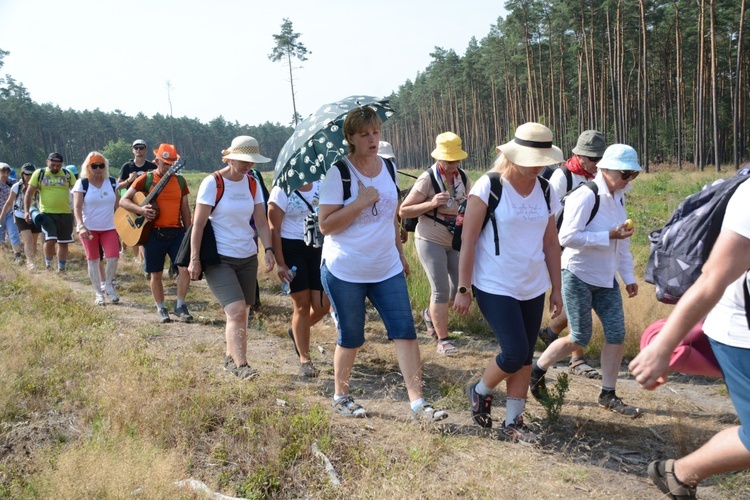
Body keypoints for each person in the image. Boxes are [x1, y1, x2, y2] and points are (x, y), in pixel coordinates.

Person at [318, 106, 448, 422]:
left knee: (405, 331)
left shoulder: (388, 168)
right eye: (364, 134)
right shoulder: (339, 173)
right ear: (350, 137)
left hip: (386, 267)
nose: (372, 139)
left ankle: (418, 403)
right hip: (345, 269)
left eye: (376, 132)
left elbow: (391, 214)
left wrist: (400, 253)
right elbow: (326, 225)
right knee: (351, 335)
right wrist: (360, 202)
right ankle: (341, 396)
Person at [629, 177, 750, 499]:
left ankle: (678, 474)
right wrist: (663, 347)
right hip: (742, 335)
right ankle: (679, 473)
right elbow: (713, 278)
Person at [454, 122, 563, 443]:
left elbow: (551, 244)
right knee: (514, 352)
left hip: (532, 285)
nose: (537, 166)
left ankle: (514, 421)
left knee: (525, 356)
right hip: (493, 284)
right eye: (530, 159)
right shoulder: (489, 186)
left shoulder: (546, 189)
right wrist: (463, 288)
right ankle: (480, 389)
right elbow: (469, 240)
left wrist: (556, 287)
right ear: (514, 156)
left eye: (541, 160)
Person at [530, 144, 641, 418]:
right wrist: (608, 236)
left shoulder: (620, 197)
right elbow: (566, 237)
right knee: (580, 336)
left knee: (616, 335)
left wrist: (628, 277)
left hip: (606, 278)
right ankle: (536, 371)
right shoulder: (586, 194)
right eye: (625, 173)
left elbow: (622, 245)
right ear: (607, 168)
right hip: (578, 274)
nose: (629, 180)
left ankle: (608, 394)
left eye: (633, 175)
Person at [187, 136, 275, 379]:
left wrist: (268, 249)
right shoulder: (212, 182)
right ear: (231, 157)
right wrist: (195, 259)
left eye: (252, 162)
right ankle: (242, 366)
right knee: (236, 310)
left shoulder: (253, 183)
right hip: (219, 258)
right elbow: (199, 224)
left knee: (241, 312)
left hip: (247, 256)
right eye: (245, 161)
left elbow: (260, 221)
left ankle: (230, 358)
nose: (249, 166)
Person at [539, 130, 607, 379]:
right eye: (592, 157)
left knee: (579, 304)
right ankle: (577, 359)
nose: (597, 162)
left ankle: (550, 333)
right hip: (565, 246)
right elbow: (550, 216)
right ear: (578, 154)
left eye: (600, 157)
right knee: (577, 304)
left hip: (590, 246)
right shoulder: (562, 176)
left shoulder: (602, 176)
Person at [400, 132, 471, 356]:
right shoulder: (427, 178)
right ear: (439, 159)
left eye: (457, 160)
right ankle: (443, 339)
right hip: (430, 238)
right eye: (449, 161)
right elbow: (404, 210)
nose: (454, 165)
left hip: (455, 239)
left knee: (460, 287)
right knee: (440, 291)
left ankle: (430, 315)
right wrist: (431, 203)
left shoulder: (463, 177)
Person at [120, 143, 193, 323]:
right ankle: (161, 308)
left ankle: (180, 306)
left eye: (172, 163)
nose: (168, 167)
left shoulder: (181, 181)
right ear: (156, 160)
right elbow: (124, 201)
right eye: (165, 163)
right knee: (156, 273)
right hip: (152, 233)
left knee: (185, 269)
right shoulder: (145, 178)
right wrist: (141, 210)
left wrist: (190, 232)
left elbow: (185, 209)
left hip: (176, 232)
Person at [268, 178, 330, 377]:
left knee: (323, 306)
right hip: (292, 249)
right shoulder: (281, 189)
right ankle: (305, 358)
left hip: (318, 247)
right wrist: (280, 262)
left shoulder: (322, 184)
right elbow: (274, 229)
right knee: (302, 305)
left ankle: (296, 330)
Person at [72, 152, 120, 305]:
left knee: (113, 257)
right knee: (93, 260)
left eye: (101, 165)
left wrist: (123, 224)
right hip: (89, 228)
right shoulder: (82, 184)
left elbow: (118, 206)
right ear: (88, 167)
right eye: (94, 166)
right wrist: (80, 225)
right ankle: (98, 293)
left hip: (110, 227)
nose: (98, 169)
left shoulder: (112, 182)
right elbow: (77, 207)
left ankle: (108, 286)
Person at [23, 152, 76, 272]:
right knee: (50, 239)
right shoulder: (39, 173)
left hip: (66, 213)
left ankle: (61, 269)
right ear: (47, 162)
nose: (55, 168)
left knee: (63, 242)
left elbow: (76, 191)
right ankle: (49, 266)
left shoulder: (68, 174)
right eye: (52, 165)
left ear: (62, 164)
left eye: (58, 166)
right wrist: (26, 211)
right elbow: (29, 193)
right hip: (47, 213)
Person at [117, 139, 156, 261]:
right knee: (133, 228)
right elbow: (118, 185)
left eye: (141, 147)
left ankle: (144, 258)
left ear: (146, 149)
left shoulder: (152, 166)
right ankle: (137, 258)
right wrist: (129, 180)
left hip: (149, 201)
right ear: (132, 150)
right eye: (136, 148)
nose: (139, 150)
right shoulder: (127, 166)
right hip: (132, 202)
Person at [0, 163, 41, 269]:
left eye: (31, 174)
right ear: (22, 174)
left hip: (35, 215)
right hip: (20, 215)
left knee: (34, 240)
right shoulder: (16, 186)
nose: (29, 177)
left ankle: (32, 259)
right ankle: (30, 262)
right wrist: (2, 217)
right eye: (26, 174)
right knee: (27, 239)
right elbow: (9, 203)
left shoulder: (39, 185)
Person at [378, 141, 408, 245]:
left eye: (388, 159)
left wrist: (403, 225)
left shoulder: (391, 167)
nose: (387, 162)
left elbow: (396, 196)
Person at [0, 163, 23, 261]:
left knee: (13, 233)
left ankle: (17, 255)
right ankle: (3, 256)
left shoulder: (12, 183)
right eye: (2, 172)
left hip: (10, 212)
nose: (5, 175)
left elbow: (24, 183)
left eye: (7, 172)